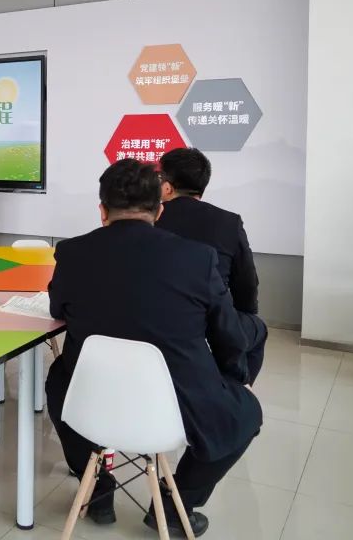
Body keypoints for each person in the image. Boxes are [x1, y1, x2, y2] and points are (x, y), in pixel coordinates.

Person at [45, 159, 261, 537]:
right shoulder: (197, 259)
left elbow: (56, 309)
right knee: (245, 414)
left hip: (90, 399)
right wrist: (230, 379)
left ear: (102, 210)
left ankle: (97, 489)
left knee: (58, 378)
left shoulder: (72, 252)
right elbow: (229, 335)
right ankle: (176, 504)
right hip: (176, 403)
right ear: (160, 210)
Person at [156, 147, 267, 384]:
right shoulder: (229, 222)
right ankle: (235, 385)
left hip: (154, 320)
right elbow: (246, 283)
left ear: (167, 187)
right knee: (258, 328)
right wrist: (241, 316)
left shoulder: (150, 219)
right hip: (211, 323)